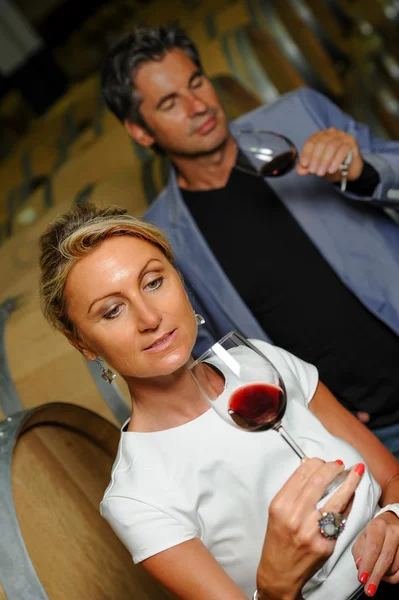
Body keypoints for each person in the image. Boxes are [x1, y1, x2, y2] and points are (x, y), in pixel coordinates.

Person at [38, 203, 399, 600]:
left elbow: (391, 478)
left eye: (153, 282)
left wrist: (393, 520)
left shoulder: (261, 362)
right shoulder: (136, 497)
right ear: (83, 344)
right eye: (112, 310)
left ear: (179, 278)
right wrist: (278, 583)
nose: (149, 317)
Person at [101, 26, 399, 458]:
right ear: (141, 131)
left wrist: (363, 170)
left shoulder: (299, 117)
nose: (198, 106)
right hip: (365, 437)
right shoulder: (161, 242)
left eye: (196, 82)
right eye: (169, 103)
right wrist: (313, 418)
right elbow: (210, 367)